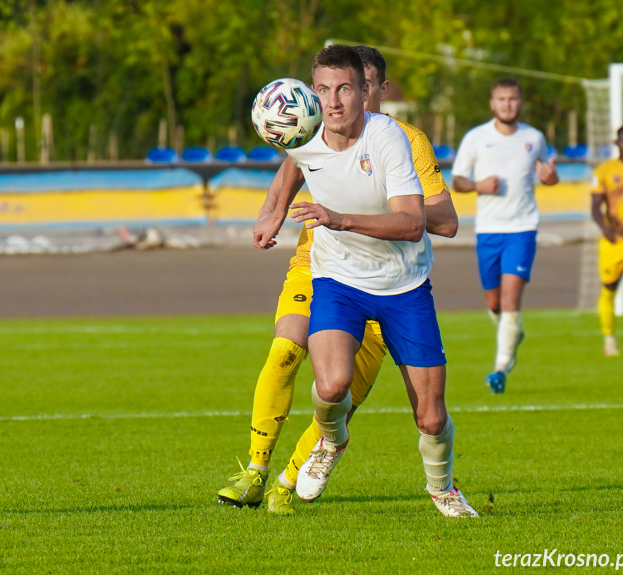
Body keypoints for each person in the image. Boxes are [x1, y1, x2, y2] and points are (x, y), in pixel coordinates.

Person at [218, 44, 476, 517]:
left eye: (348, 89)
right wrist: (271, 213)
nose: (335, 101)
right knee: (311, 369)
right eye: (324, 90)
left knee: (429, 414)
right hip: (332, 273)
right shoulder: (307, 127)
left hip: (401, 282)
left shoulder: (398, 139)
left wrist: (346, 216)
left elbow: (427, 222)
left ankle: (441, 489)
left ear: (371, 90)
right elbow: (295, 163)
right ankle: (268, 466)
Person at [451, 77, 559, 393]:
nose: (508, 104)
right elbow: (458, 180)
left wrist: (552, 178)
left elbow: (548, 176)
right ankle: (512, 334)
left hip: (522, 229)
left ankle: (499, 369)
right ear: (492, 103)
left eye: (513, 99)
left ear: (520, 103)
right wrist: (478, 186)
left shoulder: (534, 138)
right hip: (488, 230)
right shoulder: (476, 138)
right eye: (502, 99)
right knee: (494, 302)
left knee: (511, 300)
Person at [590, 125, 623, 356]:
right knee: (610, 288)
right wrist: (605, 228)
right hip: (614, 241)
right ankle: (609, 339)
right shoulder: (605, 170)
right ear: (617, 143)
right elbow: (595, 207)